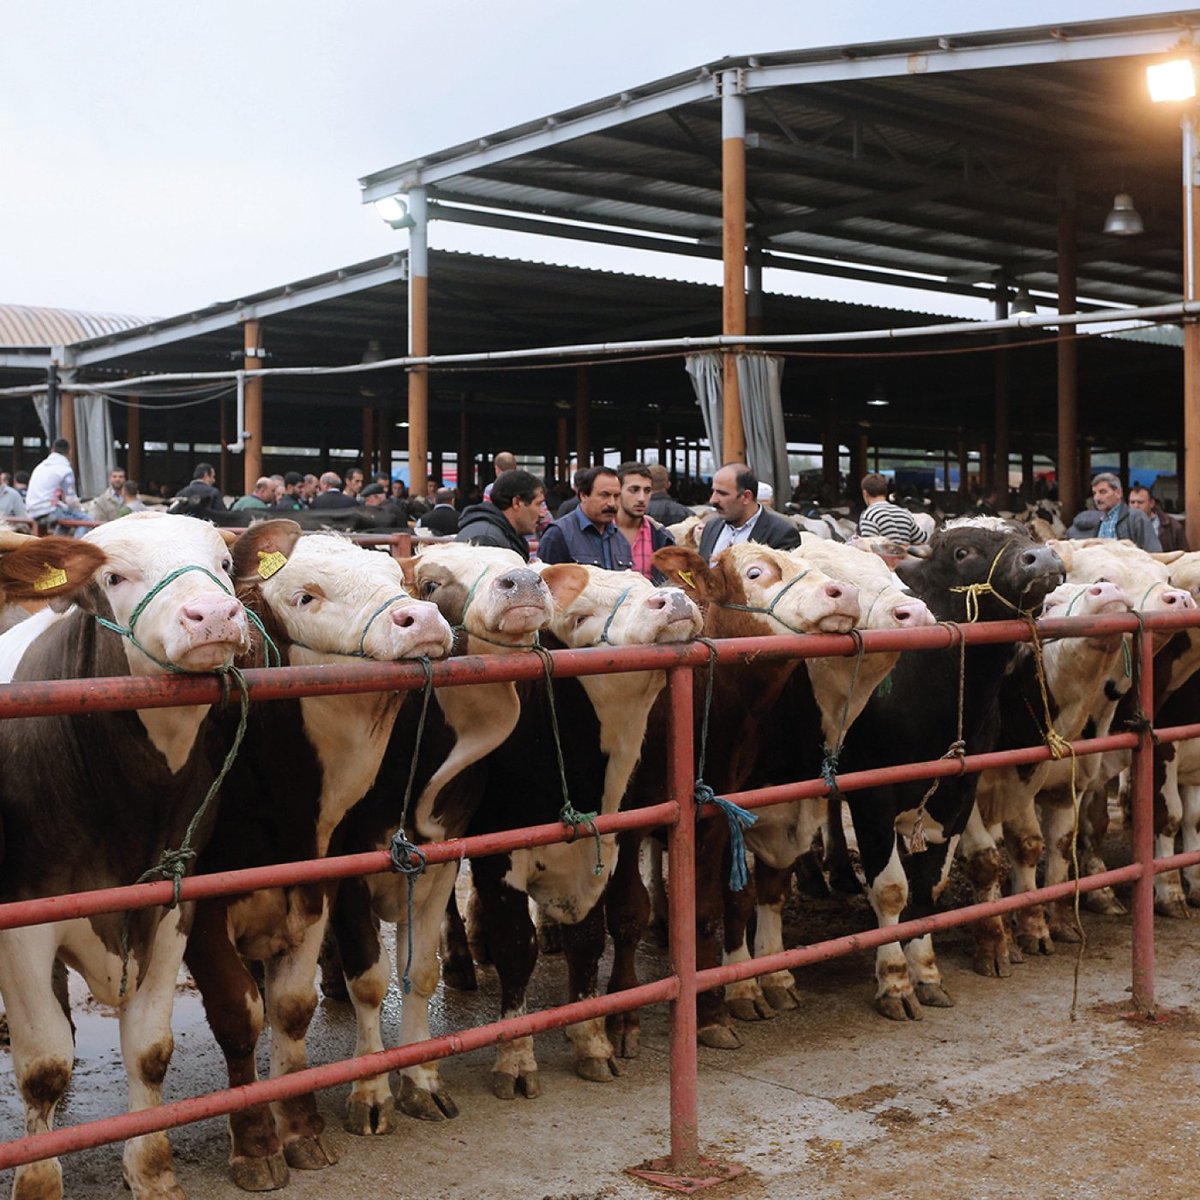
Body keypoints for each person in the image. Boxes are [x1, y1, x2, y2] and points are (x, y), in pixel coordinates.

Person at [699, 462, 801, 565]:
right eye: (713, 491)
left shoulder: (781, 534)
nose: (713, 500)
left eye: (722, 493)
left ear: (746, 497)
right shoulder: (711, 527)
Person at [537, 465, 633, 570]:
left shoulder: (620, 539)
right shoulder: (558, 535)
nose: (612, 503)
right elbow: (545, 582)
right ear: (583, 496)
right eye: (604, 495)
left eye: (616, 496)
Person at [456, 469, 544, 561]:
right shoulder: (485, 540)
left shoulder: (498, 536)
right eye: (538, 504)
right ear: (517, 503)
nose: (542, 514)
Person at [615, 461, 674, 579]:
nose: (642, 498)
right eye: (634, 490)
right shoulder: (598, 532)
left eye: (647, 491)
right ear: (618, 491)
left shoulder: (661, 536)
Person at [1075, 472, 1161, 551]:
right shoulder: (1099, 521)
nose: (1097, 498)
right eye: (1094, 493)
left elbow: (1154, 552)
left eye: (1103, 492)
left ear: (1118, 493)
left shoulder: (1136, 517)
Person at [26, 438, 90, 533]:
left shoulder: (40, 466)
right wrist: (82, 509)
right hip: (48, 510)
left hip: (32, 510)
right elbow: (70, 499)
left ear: (52, 450)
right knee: (86, 520)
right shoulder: (64, 469)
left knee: (67, 520)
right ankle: (77, 545)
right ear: (70, 451)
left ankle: (57, 544)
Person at [857, 472, 929, 546]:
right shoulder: (904, 513)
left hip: (882, 557)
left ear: (865, 493)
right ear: (886, 492)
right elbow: (923, 540)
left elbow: (869, 548)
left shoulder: (869, 516)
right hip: (906, 557)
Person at [1129, 484, 1188, 552]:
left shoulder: (1173, 526)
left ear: (1151, 503)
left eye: (1140, 502)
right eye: (1132, 502)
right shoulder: (1121, 525)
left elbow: (1184, 554)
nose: (1136, 506)